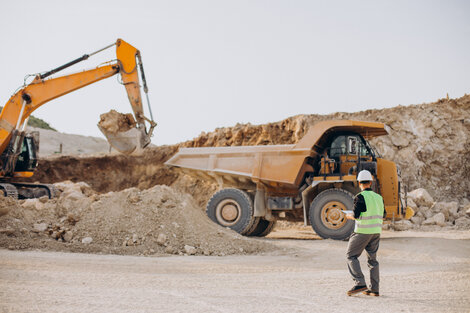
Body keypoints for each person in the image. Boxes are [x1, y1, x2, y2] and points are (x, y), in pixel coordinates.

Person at [345, 170, 386, 296]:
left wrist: (348, 216)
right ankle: (374, 289)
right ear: (370, 182)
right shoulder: (379, 197)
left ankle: (359, 283)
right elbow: (383, 215)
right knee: (372, 260)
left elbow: (356, 215)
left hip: (362, 231)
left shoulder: (360, 197)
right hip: (376, 232)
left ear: (359, 183)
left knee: (351, 256)